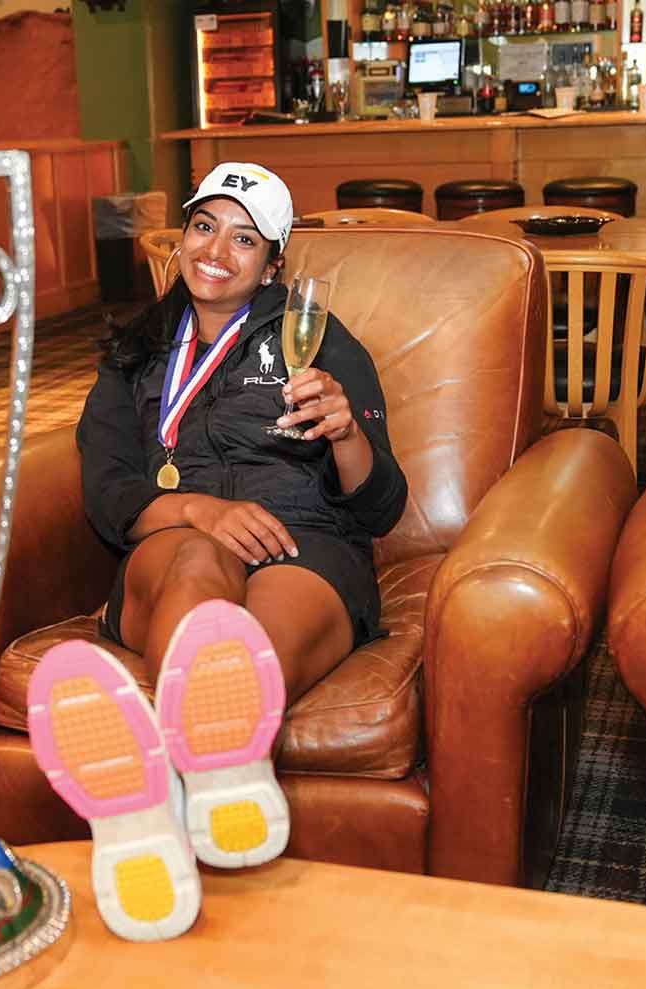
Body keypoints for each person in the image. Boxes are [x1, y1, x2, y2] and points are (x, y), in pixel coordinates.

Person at [25, 163, 408, 942]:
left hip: (306, 544)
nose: (217, 251)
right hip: (172, 541)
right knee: (199, 567)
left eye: (245, 238)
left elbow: (382, 505)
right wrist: (200, 507)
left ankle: (151, 810)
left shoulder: (322, 342)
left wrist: (346, 433)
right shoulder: (134, 353)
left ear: (272, 265)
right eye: (205, 227)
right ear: (183, 240)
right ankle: (215, 773)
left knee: (239, 650)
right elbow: (106, 492)